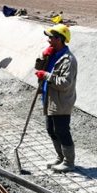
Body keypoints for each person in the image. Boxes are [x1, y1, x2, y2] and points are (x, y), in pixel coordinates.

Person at [34, 24, 78, 173]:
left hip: (61, 101)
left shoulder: (68, 60)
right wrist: (43, 56)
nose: (48, 40)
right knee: (51, 130)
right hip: (49, 98)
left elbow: (65, 83)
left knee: (62, 131)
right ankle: (60, 157)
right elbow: (38, 67)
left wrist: (46, 76)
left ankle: (69, 162)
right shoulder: (52, 54)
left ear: (59, 39)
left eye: (51, 37)